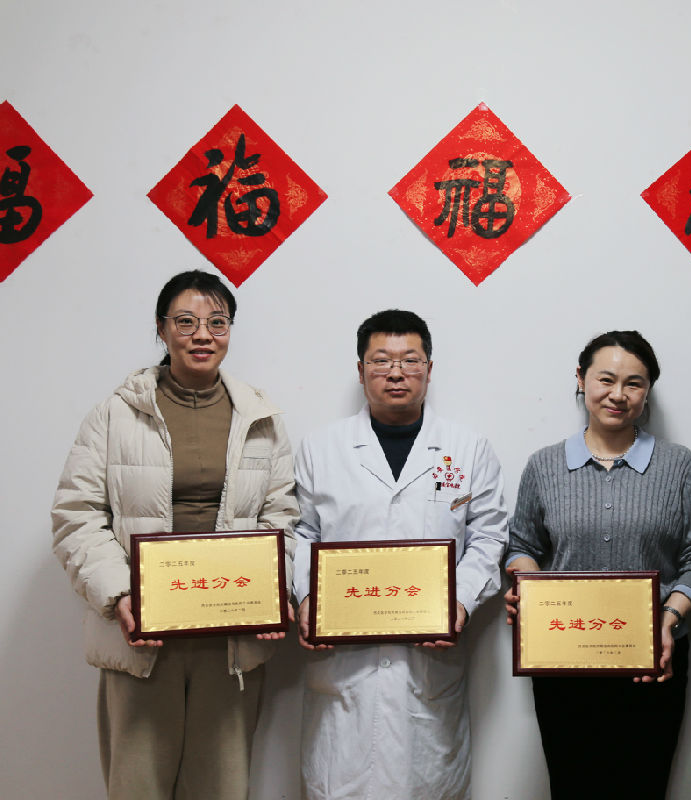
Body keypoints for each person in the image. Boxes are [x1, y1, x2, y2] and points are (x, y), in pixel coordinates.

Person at [51, 270, 299, 800]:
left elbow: (281, 516)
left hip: (230, 639)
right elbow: (77, 514)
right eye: (185, 322)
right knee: (138, 786)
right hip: (143, 636)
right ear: (161, 330)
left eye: (217, 322)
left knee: (222, 786)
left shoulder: (260, 416)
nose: (202, 335)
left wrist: (275, 589)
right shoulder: (115, 414)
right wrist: (121, 596)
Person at [291, 309, 508, 800]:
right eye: (381, 361)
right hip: (343, 666)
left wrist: (460, 603)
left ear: (429, 369)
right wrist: (307, 598)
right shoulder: (321, 448)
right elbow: (302, 533)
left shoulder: (467, 449)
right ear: (360, 370)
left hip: (427, 666)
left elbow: (489, 536)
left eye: (410, 360)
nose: (395, 373)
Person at [504, 330, 691, 800]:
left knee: (643, 785)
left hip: (653, 658)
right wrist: (529, 587)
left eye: (634, 383)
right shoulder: (544, 466)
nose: (618, 394)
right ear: (581, 379)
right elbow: (521, 544)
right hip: (563, 660)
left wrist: (669, 617)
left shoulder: (677, 465)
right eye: (606, 379)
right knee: (572, 785)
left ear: (647, 391)